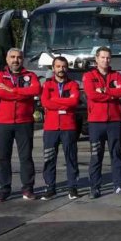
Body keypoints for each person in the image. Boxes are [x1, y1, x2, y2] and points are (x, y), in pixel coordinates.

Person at [0, 48, 41, 201]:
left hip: (24, 122)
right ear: (7, 59)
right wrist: (22, 92)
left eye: (19, 57)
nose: (16, 60)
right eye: (12, 57)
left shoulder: (30, 75)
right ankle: (4, 189)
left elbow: (36, 89)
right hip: (3, 122)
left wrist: (12, 90)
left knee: (26, 157)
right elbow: (0, 93)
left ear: (23, 59)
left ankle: (27, 188)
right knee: (3, 157)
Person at [83, 46, 121, 198]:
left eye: (108, 57)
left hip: (114, 121)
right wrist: (112, 94)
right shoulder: (89, 76)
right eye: (102, 57)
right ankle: (95, 188)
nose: (105, 60)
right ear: (96, 59)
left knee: (116, 154)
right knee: (96, 156)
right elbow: (91, 95)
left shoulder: (117, 75)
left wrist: (104, 91)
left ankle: (119, 185)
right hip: (96, 122)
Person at [40, 56, 80, 200]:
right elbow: (45, 102)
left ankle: (73, 188)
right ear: (53, 68)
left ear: (67, 68)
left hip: (68, 126)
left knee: (71, 158)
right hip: (51, 127)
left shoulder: (73, 84)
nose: (61, 69)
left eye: (63, 66)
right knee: (49, 158)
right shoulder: (47, 84)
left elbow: (74, 101)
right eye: (58, 66)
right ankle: (50, 188)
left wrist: (55, 101)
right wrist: (64, 103)